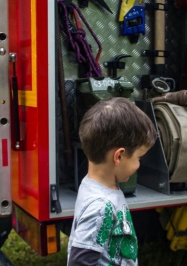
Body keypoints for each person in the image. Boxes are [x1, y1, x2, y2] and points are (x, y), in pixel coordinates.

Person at [67, 97, 157, 266]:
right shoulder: (100, 206)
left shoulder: (95, 184)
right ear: (119, 156)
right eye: (139, 158)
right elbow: (79, 262)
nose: (139, 164)